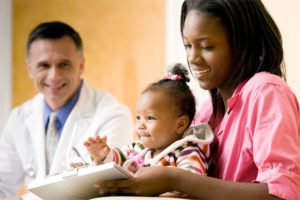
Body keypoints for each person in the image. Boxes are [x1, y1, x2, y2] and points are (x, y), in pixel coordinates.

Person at [95, 0, 300, 199]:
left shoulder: (266, 92)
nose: (193, 58)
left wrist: (175, 179)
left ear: (242, 43)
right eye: (187, 45)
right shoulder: (207, 111)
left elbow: (283, 194)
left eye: (207, 46)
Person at [0, 21, 133, 199]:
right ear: (30, 69)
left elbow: (101, 191)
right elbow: (2, 185)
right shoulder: (18, 118)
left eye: (64, 64)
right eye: (44, 65)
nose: (54, 76)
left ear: (81, 65)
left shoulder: (114, 115)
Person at [85, 63, 214, 197]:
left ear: (180, 125)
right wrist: (104, 154)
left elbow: (190, 185)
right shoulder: (139, 149)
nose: (140, 125)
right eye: (139, 117)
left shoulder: (187, 153)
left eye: (150, 118)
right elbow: (119, 160)